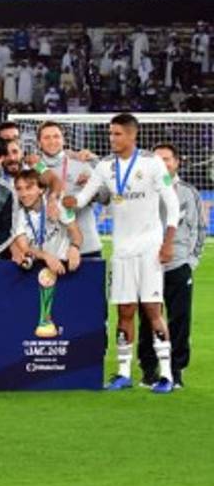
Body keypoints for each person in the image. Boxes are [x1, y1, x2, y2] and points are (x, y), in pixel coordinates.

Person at [64, 113, 180, 393]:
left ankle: (165, 374)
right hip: (121, 249)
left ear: (131, 135)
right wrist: (70, 200)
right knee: (124, 310)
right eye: (110, 134)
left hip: (150, 248)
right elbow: (84, 197)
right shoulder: (105, 166)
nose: (112, 139)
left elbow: (172, 204)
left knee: (152, 309)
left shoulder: (152, 163)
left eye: (117, 134)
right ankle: (123, 373)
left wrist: (168, 242)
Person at [137, 143, 205, 388]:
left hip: (178, 266)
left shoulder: (189, 193)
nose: (162, 163)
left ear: (176, 162)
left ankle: (176, 372)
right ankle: (148, 370)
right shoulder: (141, 191)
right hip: (147, 266)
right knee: (147, 320)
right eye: (157, 159)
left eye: (167, 159)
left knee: (179, 320)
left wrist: (191, 260)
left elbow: (199, 229)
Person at [9, 169, 82, 338]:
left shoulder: (58, 205)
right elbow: (24, 247)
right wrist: (46, 256)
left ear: (41, 189)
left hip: (64, 270)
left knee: (70, 325)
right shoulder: (17, 215)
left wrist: (75, 247)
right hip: (36, 271)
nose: (24, 193)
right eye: (19, 189)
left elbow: (76, 233)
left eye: (29, 188)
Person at [33, 122, 101, 258]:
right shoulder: (33, 169)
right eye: (47, 137)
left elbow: (105, 197)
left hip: (85, 246)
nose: (52, 141)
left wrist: (93, 189)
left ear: (63, 140)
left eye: (56, 136)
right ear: (39, 142)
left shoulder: (82, 164)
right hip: (49, 249)